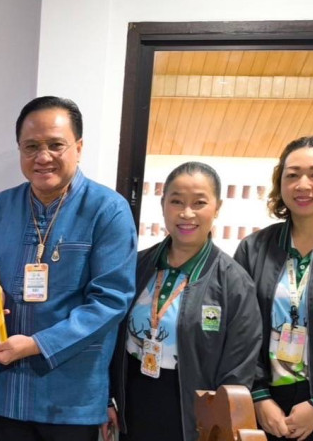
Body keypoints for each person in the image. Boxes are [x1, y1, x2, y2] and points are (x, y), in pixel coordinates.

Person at [0, 96, 137, 441]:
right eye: (31, 146)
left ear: (79, 147)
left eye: (55, 145)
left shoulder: (108, 210)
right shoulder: (3, 206)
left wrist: (36, 344)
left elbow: (110, 302)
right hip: (9, 394)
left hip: (73, 398)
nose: (42, 157)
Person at [106, 162, 261, 441]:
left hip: (195, 414)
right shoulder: (138, 265)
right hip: (134, 400)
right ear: (163, 204)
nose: (186, 213)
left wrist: (220, 426)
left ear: (217, 207)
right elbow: (111, 337)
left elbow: (239, 368)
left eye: (199, 202)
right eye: (176, 201)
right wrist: (108, 397)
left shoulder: (234, 282)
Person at [234, 135, 313, 441]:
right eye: (292, 175)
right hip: (267, 409)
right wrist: (259, 395)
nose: (303, 185)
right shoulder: (254, 248)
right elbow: (239, 329)